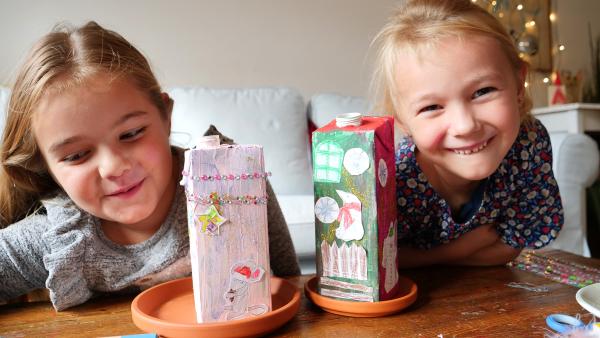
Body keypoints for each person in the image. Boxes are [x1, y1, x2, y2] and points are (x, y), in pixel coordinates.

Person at [0, 21, 300, 310]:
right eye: (77, 155)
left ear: (166, 116)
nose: (113, 167)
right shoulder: (57, 240)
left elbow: (290, 286)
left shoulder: (232, 177)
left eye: (131, 134)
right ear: (45, 166)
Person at [371, 0, 563, 267]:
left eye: (483, 92)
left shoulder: (528, 144)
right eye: (432, 107)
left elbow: (512, 246)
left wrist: (427, 259)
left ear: (519, 84)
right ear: (403, 122)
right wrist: (458, 251)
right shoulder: (396, 182)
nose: (465, 126)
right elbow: (383, 260)